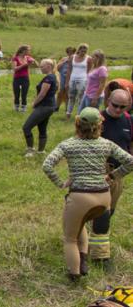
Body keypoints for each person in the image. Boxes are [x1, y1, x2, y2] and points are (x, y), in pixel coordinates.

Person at [42, 107, 133, 282]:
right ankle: (83, 259)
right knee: (81, 224)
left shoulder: (68, 144)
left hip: (80, 197)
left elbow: (47, 165)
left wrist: (61, 183)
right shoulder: (106, 144)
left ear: (77, 124)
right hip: (103, 197)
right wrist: (112, 176)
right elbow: (130, 161)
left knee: (70, 239)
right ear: (99, 126)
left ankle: (74, 275)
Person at [90, 89, 133, 265]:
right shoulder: (97, 119)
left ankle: (90, 238)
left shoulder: (129, 120)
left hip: (118, 174)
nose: (118, 110)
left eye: (123, 107)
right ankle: (100, 256)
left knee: (110, 212)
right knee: (103, 214)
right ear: (108, 100)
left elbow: (130, 143)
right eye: (115, 105)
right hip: (98, 172)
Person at [23, 59, 59, 157]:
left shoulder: (49, 78)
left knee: (26, 127)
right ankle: (41, 151)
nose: (41, 68)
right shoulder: (53, 77)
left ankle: (30, 150)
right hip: (49, 106)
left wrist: (34, 103)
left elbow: (42, 94)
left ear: (48, 66)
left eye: (42, 66)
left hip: (44, 106)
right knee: (42, 128)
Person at [67, 44, 91, 119]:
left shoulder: (89, 58)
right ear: (79, 50)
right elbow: (69, 69)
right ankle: (68, 113)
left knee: (80, 97)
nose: (83, 52)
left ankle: (79, 115)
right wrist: (67, 81)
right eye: (82, 50)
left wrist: (88, 81)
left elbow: (89, 71)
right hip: (72, 78)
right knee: (71, 96)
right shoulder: (72, 57)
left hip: (83, 79)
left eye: (85, 50)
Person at [11, 45, 35, 112]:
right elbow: (15, 69)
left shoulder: (28, 58)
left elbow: (35, 63)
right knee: (17, 94)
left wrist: (33, 62)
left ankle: (23, 108)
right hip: (17, 78)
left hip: (25, 78)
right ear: (23, 51)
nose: (29, 51)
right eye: (28, 50)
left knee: (24, 94)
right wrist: (24, 65)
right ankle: (16, 107)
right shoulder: (15, 58)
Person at [57, 47, 76, 113]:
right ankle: (57, 107)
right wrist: (64, 61)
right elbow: (57, 68)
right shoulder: (64, 59)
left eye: (72, 52)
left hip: (71, 78)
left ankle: (67, 109)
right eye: (68, 52)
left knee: (68, 93)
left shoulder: (76, 59)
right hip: (62, 77)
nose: (70, 53)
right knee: (60, 92)